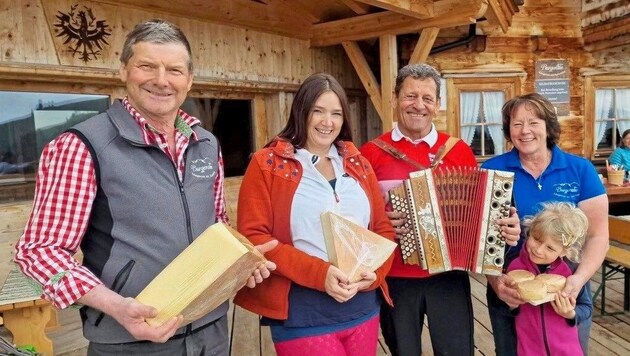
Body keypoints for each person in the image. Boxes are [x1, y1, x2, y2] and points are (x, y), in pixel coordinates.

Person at [14, 19, 276, 355]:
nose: (161, 80)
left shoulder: (205, 142)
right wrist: (115, 305)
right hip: (130, 338)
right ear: (124, 70)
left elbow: (218, 227)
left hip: (210, 329)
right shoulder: (81, 146)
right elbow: (39, 251)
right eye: (147, 66)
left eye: (174, 70)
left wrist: (241, 264)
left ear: (189, 79)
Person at [359, 63, 521, 356]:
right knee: (403, 351)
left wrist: (504, 226)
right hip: (395, 275)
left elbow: (479, 212)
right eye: (410, 96)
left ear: (438, 105)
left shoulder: (457, 150)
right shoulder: (371, 152)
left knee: (456, 351)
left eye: (427, 98)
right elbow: (357, 217)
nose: (418, 105)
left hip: (450, 274)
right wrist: (379, 221)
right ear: (395, 99)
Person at [234, 73, 395, 355]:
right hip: (302, 311)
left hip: (362, 306)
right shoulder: (267, 164)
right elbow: (254, 237)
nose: (327, 122)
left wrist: (375, 275)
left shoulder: (359, 164)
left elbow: (382, 230)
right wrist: (321, 274)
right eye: (317, 111)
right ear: (301, 112)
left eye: (335, 113)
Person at [482, 92, 609, 355]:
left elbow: (598, 236)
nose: (525, 131)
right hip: (511, 288)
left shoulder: (580, 169)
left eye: (533, 122)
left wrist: (577, 280)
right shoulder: (491, 170)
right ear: (508, 131)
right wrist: (498, 286)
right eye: (516, 124)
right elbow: (479, 239)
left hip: (565, 290)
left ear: (548, 127)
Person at [507, 201, 592, 356]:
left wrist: (571, 314)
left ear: (564, 252)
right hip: (529, 349)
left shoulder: (571, 273)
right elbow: (509, 308)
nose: (539, 250)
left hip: (567, 350)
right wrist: (512, 304)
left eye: (550, 248)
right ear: (530, 230)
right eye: (537, 239)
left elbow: (586, 307)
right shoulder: (515, 269)